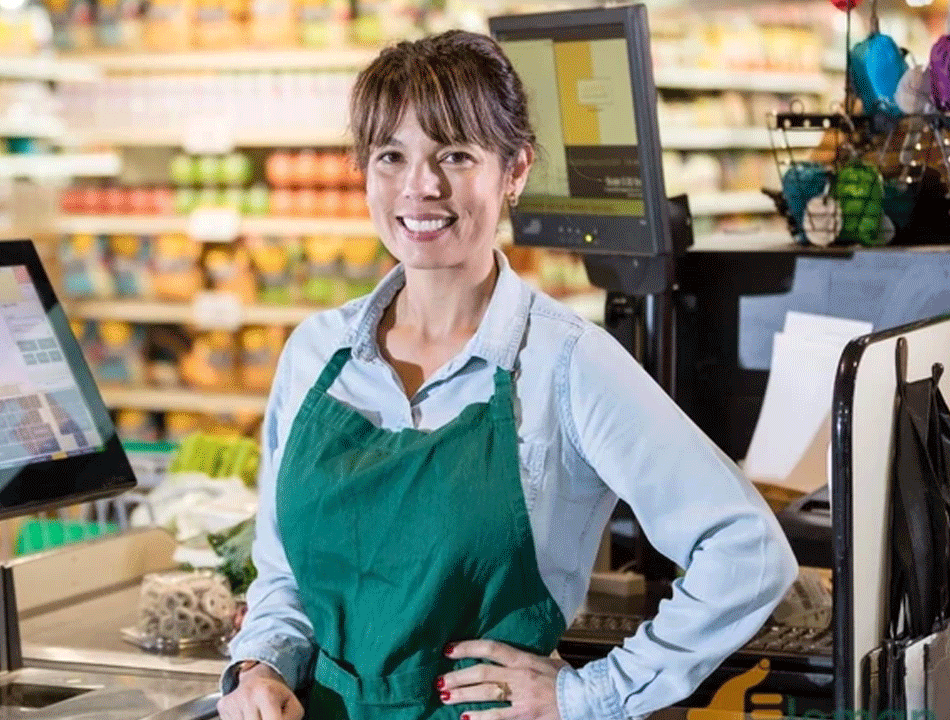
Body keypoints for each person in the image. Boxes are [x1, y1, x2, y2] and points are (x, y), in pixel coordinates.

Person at [216, 30, 799, 720]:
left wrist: (591, 696)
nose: (421, 187)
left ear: (514, 169)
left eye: (455, 155)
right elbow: (283, 571)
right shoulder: (317, 353)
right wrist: (258, 666)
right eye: (391, 156)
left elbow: (748, 552)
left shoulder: (567, 364)